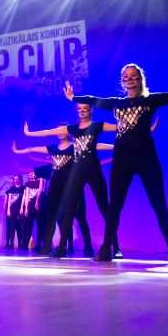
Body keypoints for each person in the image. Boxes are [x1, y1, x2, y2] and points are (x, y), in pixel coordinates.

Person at [65, 65, 168, 263]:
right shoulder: (116, 103)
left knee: (159, 203)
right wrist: (73, 98)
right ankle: (106, 250)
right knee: (114, 206)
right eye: (126, 77)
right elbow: (93, 99)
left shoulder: (150, 100)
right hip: (122, 160)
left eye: (134, 76)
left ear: (140, 79)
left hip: (146, 158)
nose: (130, 79)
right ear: (122, 82)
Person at [24, 102, 121, 258]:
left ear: (91, 110)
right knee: (69, 210)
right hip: (77, 173)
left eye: (85, 108)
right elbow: (49, 132)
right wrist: (30, 134)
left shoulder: (95, 126)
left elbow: (109, 136)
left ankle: (115, 247)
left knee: (104, 208)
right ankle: (61, 248)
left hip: (93, 170)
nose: (82, 111)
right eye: (79, 109)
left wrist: (119, 145)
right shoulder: (74, 129)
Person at [13, 129, 93, 256]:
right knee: (57, 219)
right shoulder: (50, 167)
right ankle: (54, 247)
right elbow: (32, 162)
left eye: (63, 130)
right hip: (60, 196)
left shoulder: (74, 150)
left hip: (76, 191)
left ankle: (88, 248)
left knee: (81, 219)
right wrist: (20, 154)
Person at [20, 171, 44, 251]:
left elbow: (41, 190)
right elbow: (27, 196)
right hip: (30, 205)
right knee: (29, 225)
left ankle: (39, 245)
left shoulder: (40, 182)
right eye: (31, 174)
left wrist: (37, 202)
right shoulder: (28, 184)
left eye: (34, 173)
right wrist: (26, 208)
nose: (32, 175)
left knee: (40, 225)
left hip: (39, 205)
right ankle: (25, 245)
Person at [4, 175, 24, 249]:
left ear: (20, 180)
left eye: (17, 179)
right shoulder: (12, 189)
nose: (16, 180)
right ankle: (11, 244)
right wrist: (8, 210)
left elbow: (24, 199)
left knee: (19, 227)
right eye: (15, 179)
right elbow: (9, 200)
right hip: (12, 210)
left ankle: (20, 244)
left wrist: (22, 209)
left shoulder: (23, 188)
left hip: (19, 210)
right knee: (12, 227)